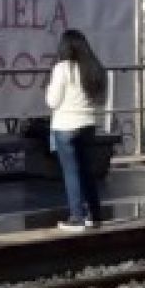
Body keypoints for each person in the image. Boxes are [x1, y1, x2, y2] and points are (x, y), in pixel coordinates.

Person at [44, 30, 107, 230]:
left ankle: (76, 217)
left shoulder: (62, 69)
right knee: (87, 171)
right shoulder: (94, 68)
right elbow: (101, 100)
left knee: (71, 172)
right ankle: (95, 215)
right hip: (88, 124)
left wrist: (48, 88)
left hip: (65, 126)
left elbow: (52, 101)